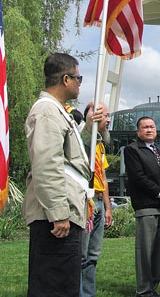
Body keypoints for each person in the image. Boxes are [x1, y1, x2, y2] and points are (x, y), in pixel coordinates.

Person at [22, 53, 91, 297]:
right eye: (78, 78)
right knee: (55, 286)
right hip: (56, 218)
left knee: (62, 283)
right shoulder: (47, 112)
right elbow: (47, 166)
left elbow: (66, 159)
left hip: (62, 212)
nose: (80, 83)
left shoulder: (56, 111)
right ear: (65, 79)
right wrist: (59, 214)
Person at [124, 116, 160, 297]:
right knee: (145, 250)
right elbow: (137, 177)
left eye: (152, 127)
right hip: (146, 205)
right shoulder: (132, 150)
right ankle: (143, 290)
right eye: (145, 127)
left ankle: (153, 287)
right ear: (138, 131)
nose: (149, 130)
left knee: (158, 250)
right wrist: (159, 192)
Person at [80, 102, 113, 297]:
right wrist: (90, 121)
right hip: (88, 204)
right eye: (105, 116)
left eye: (108, 116)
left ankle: (88, 293)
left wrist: (108, 208)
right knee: (82, 255)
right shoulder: (84, 140)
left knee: (93, 255)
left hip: (100, 203)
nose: (108, 120)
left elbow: (104, 179)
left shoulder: (100, 145)